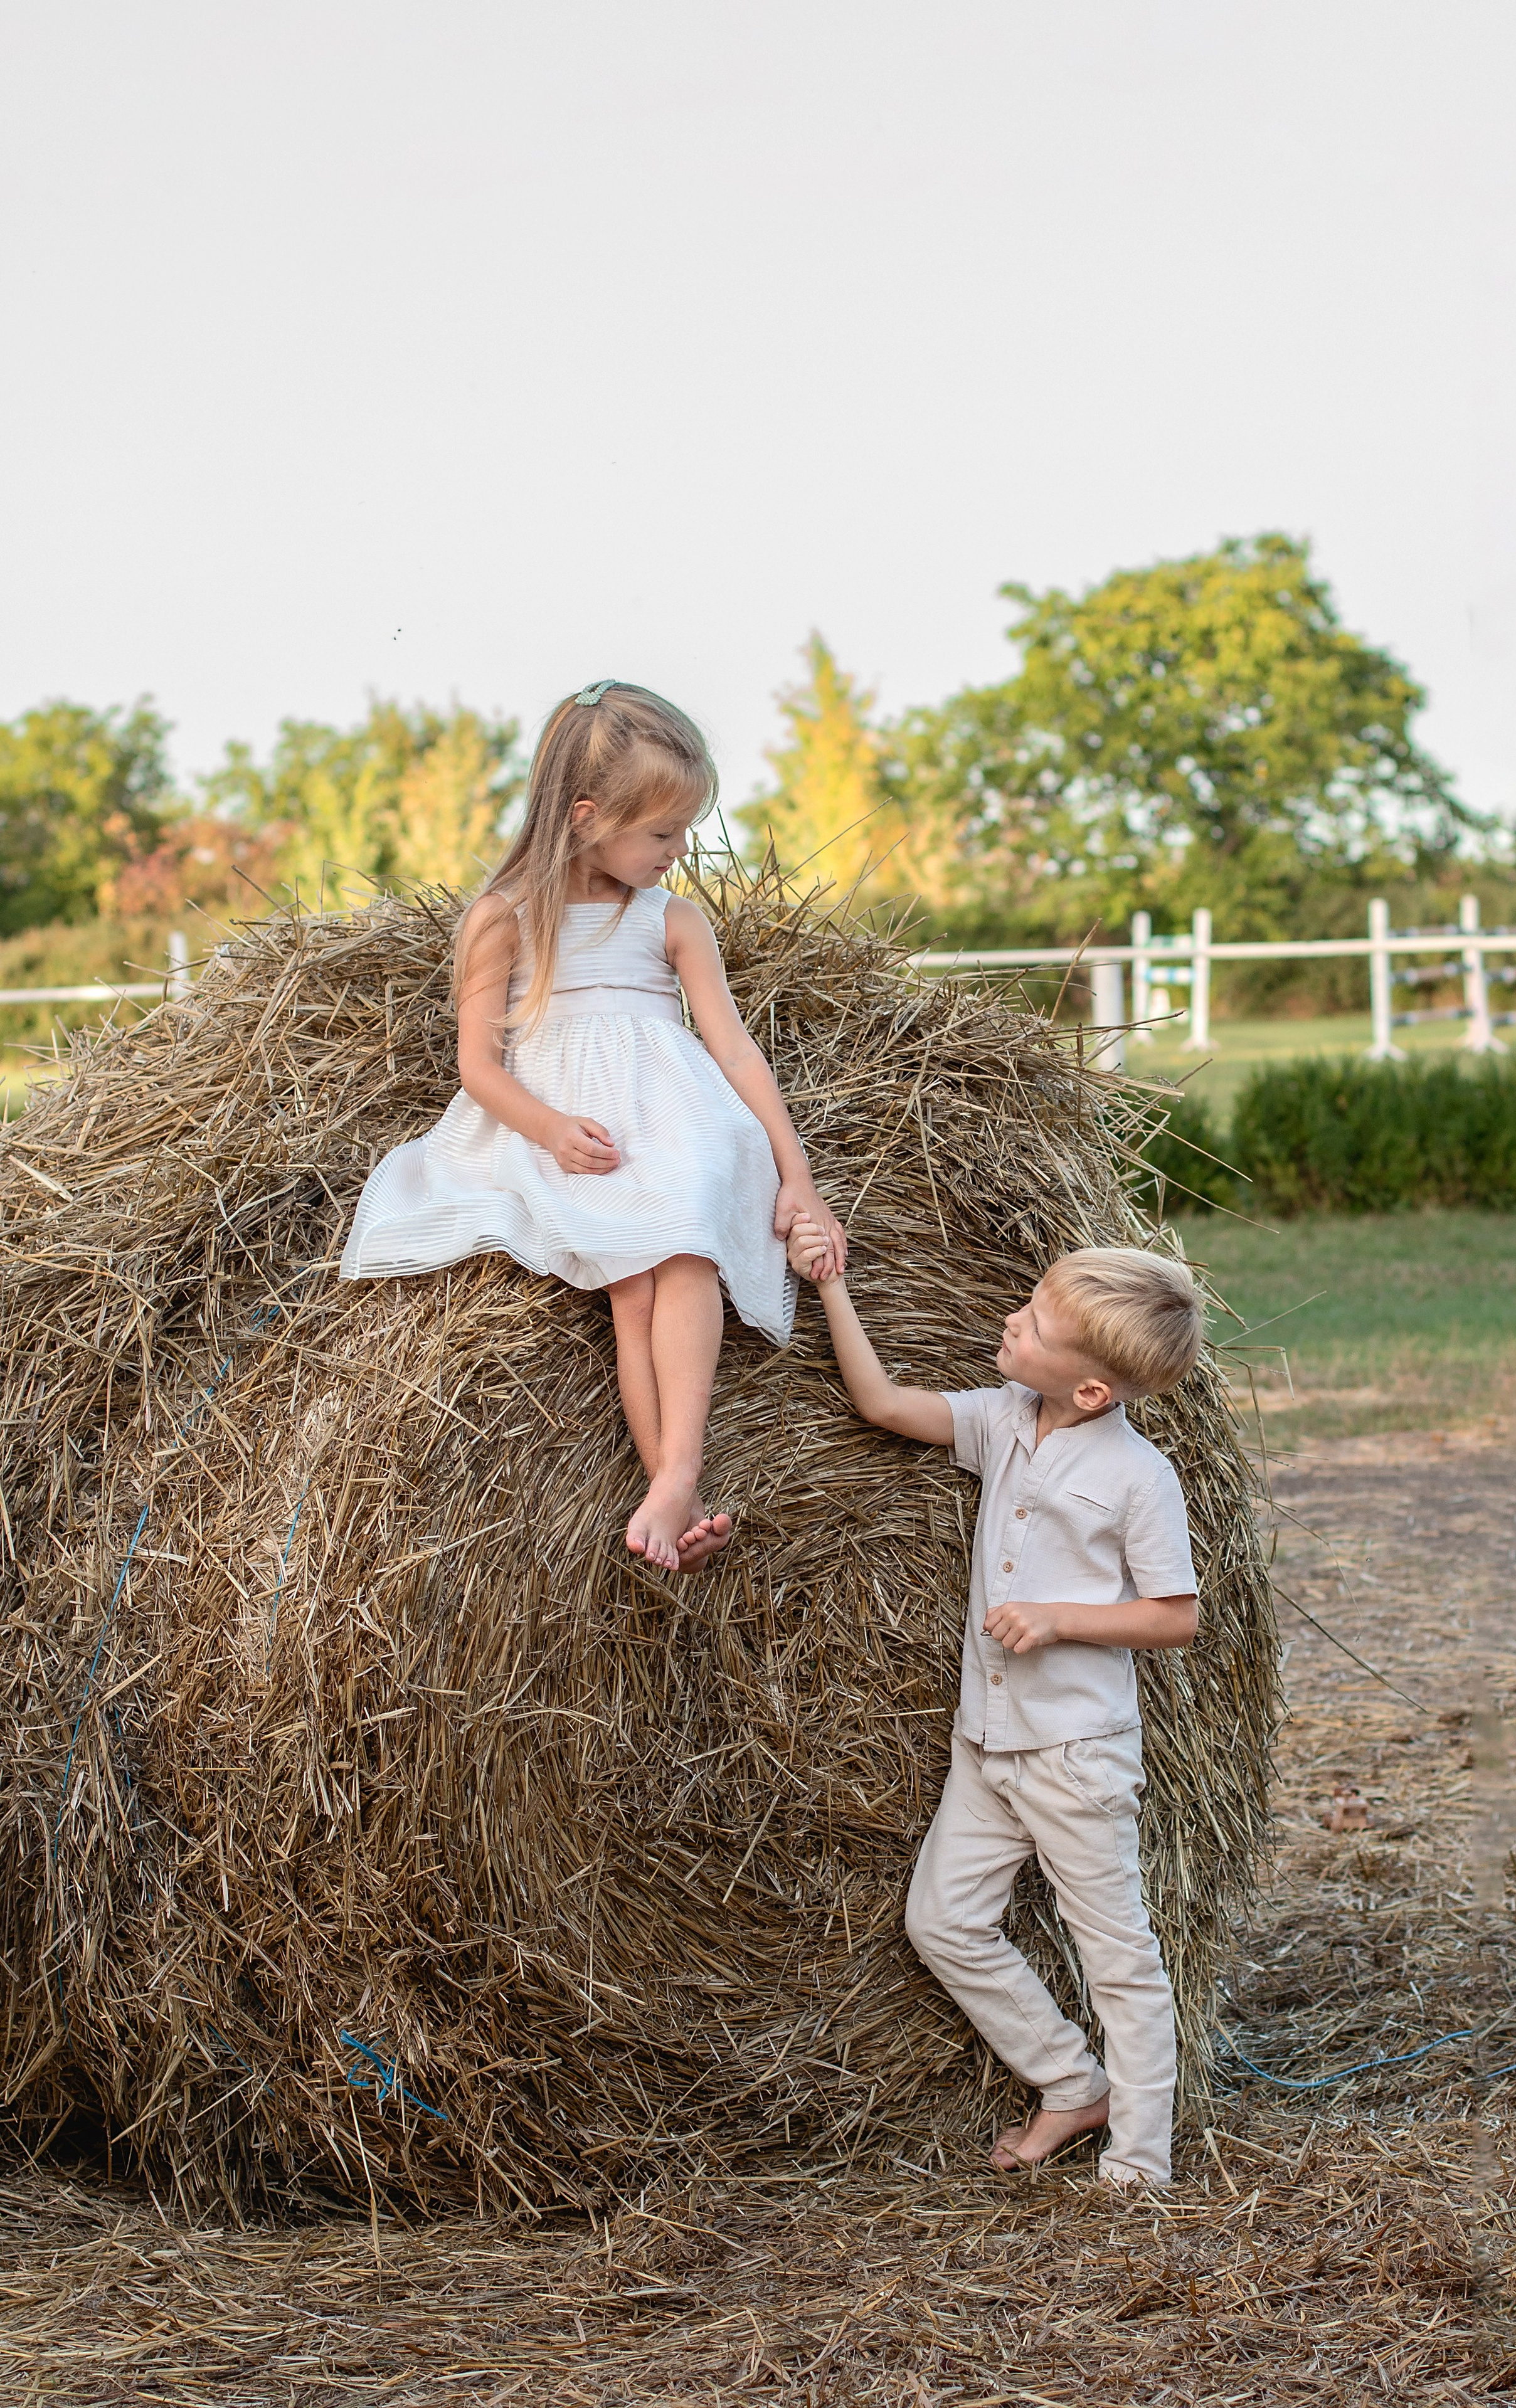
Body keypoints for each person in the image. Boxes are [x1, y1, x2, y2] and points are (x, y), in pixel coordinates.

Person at [341, 681, 845, 1573]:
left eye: (685, 831)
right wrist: (546, 1130)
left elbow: (734, 1054)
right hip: (567, 1128)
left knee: (687, 1239)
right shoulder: (501, 920)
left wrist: (795, 1174)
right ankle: (672, 1487)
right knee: (633, 1289)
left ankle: (676, 1474)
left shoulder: (672, 921)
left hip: (671, 1118)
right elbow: (479, 1068)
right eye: (662, 833)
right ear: (585, 816)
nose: (679, 853)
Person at [785, 1225, 1202, 2187]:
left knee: (1119, 1958)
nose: (1013, 1320)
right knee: (942, 1922)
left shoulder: (1139, 1478)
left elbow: (1177, 1617)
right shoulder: (1006, 1418)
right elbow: (883, 1404)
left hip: (1074, 1756)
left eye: (1037, 1323)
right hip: (989, 1743)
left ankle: (1141, 2159)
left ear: (1093, 1390)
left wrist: (1060, 1619)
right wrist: (833, 1287)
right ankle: (1069, 2081)